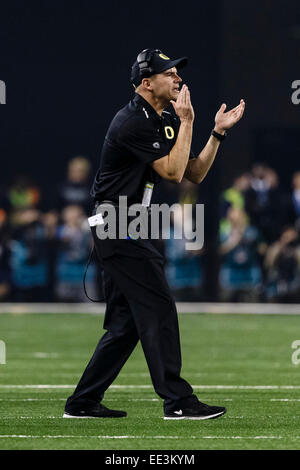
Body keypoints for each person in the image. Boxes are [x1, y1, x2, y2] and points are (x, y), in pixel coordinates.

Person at [64, 48, 245, 420]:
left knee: (125, 324)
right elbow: (174, 174)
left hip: (131, 225)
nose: (178, 79)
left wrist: (216, 134)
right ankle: (177, 401)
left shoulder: (159, 117)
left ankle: (81, 403)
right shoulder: (132, 120)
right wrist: (189, 121)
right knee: (159, 306)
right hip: (118, 225)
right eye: (169, 74)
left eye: (177, 73)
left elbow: (192, 172)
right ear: (147, 83)